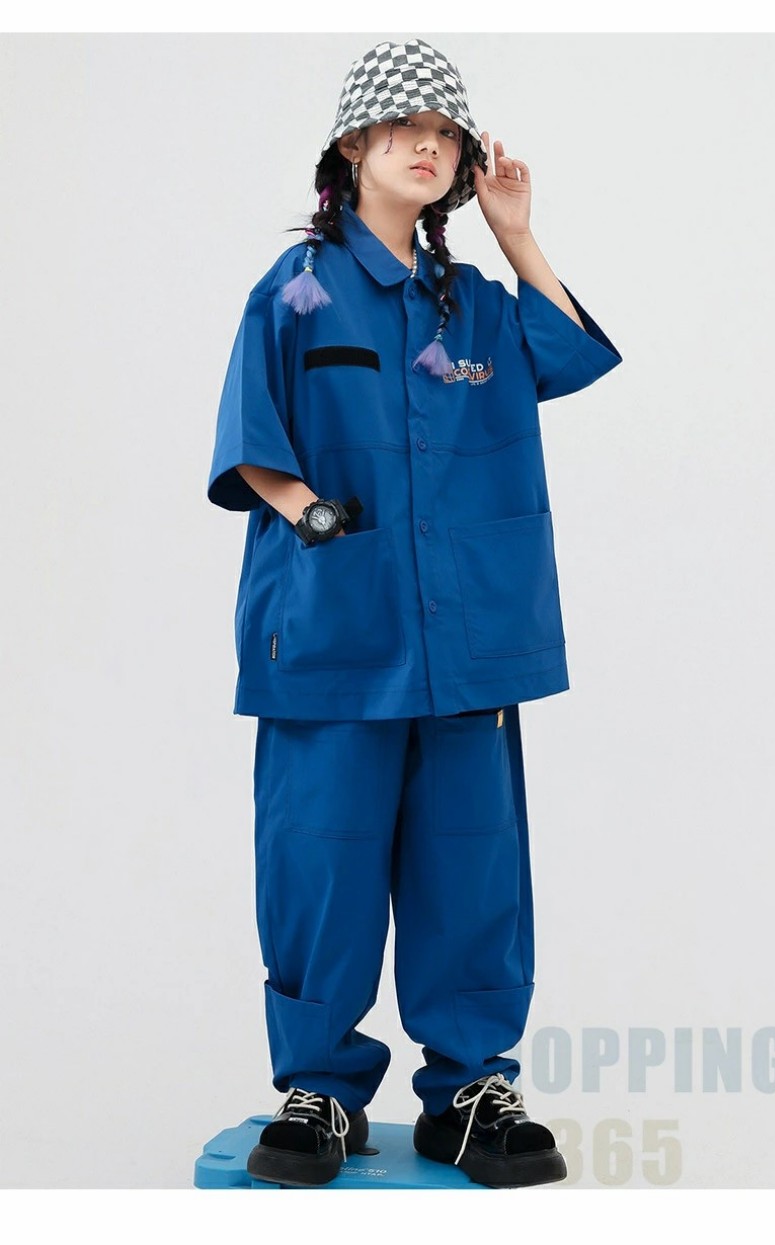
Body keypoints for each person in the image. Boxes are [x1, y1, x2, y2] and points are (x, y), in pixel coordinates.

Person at [207, 37, 622, 1190]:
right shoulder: (295, 290)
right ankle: (319, 1091)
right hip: (331, 631)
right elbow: (250, 437)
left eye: (445, 133)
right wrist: (310, 515)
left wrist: (515, 232)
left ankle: (469, 1090)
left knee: (469, 868)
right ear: (353, 145)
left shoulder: (474, 304)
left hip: (465, 641)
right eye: (404, 128)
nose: (428, 147)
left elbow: (569, 355)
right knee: (319, 862)